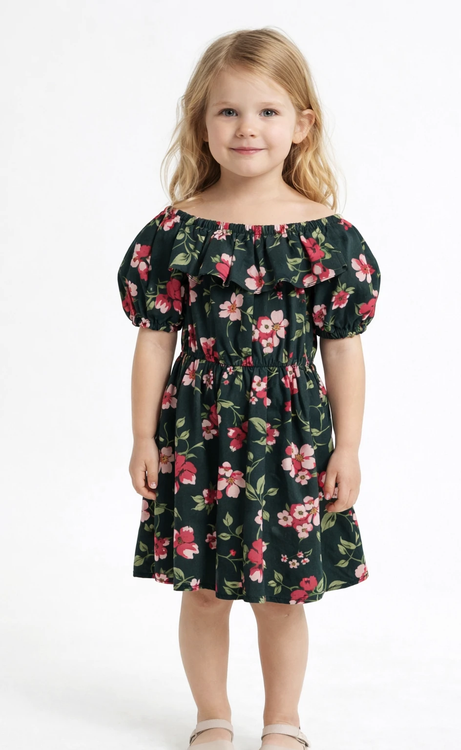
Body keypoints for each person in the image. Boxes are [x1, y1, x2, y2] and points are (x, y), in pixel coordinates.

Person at [117, 27, 381, 750]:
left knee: (281, 594)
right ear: (202, 123)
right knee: (203, 590)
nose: (247, 128)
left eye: (267, 111)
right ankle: (212, 716)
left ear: (302, 125)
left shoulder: (327, 237)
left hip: (289, 440)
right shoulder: (177, 231)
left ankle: (283, 722)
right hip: (197, 433)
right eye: (228, 111)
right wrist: (142, 436)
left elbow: (343, 348)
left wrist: (348, 447)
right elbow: (154, 338)